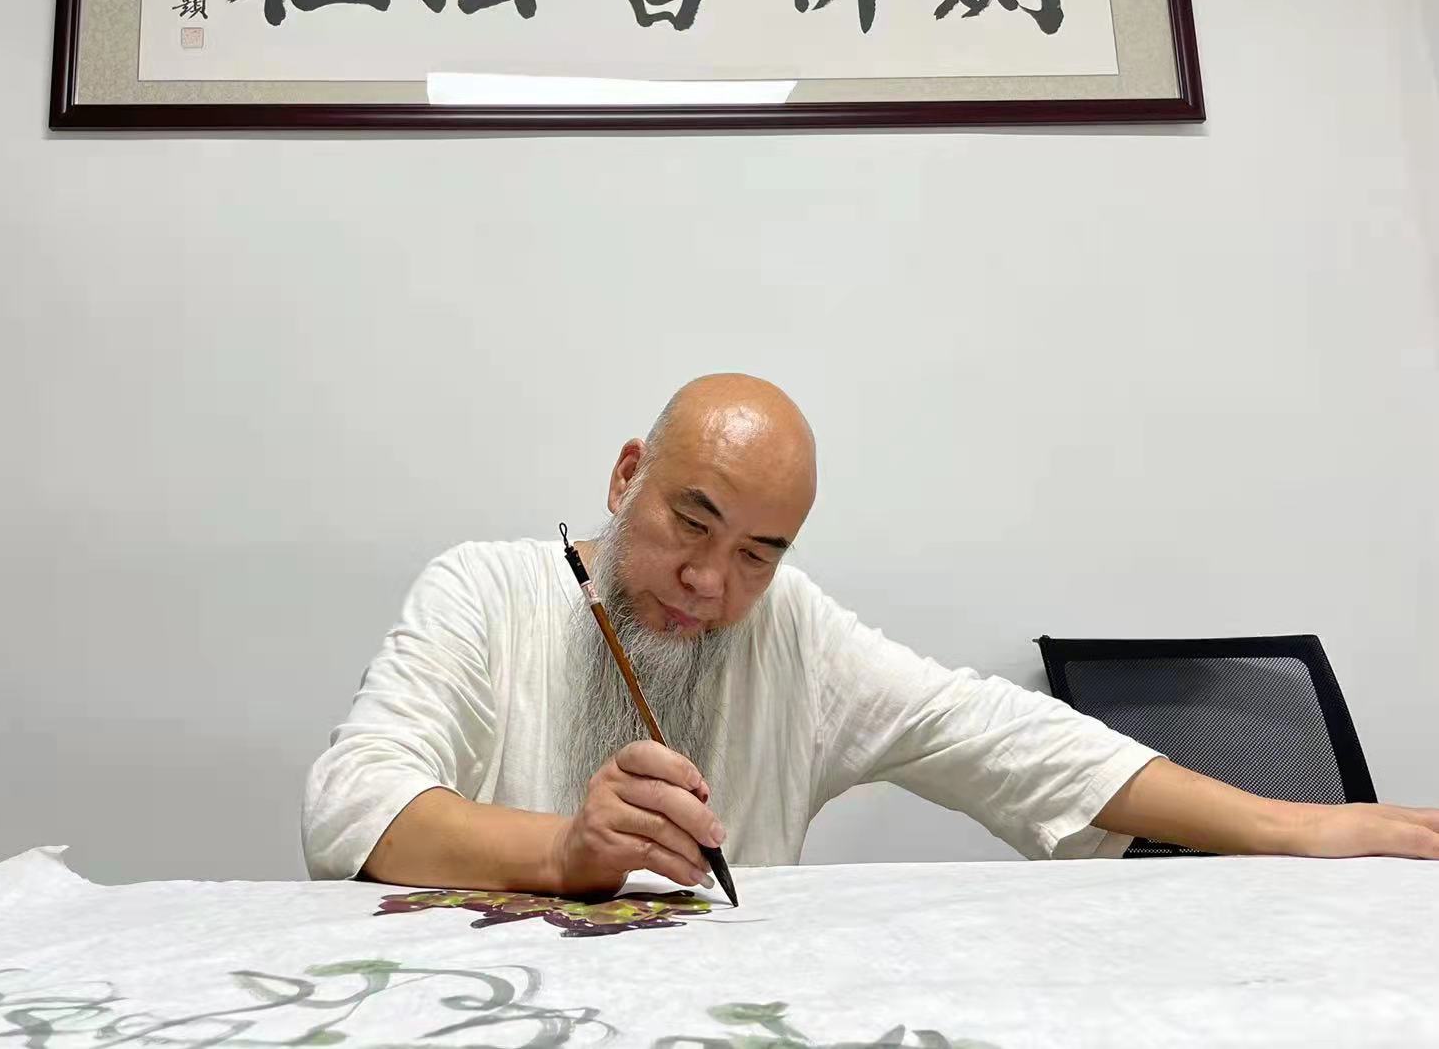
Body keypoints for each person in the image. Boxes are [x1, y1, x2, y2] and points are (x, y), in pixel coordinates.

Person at [303, 374, 1439, 893]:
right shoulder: (482, 590)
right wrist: (564, 854)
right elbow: (355, 806)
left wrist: (1289, 822)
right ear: (625, 476)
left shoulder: (788, 630)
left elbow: (1003, 738)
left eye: (758, 553)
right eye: (690, 522)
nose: (709, 583)